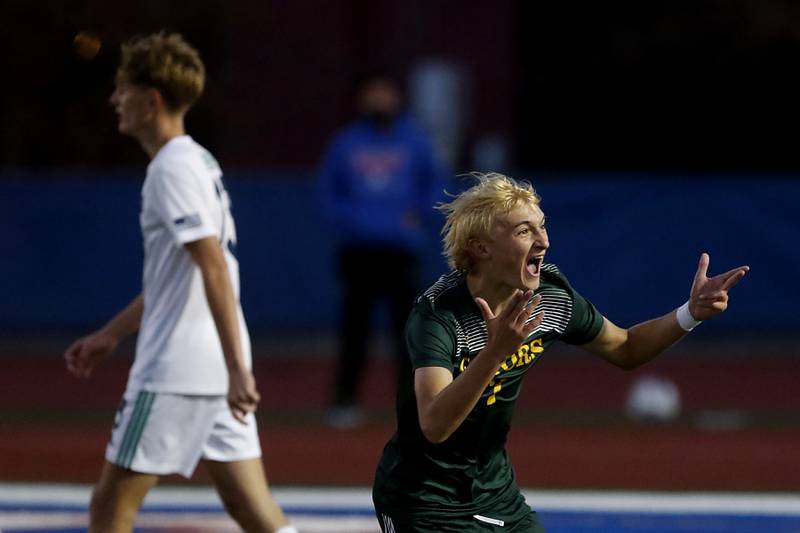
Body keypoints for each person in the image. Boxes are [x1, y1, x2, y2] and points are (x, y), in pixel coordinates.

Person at [372, 172, 749, 532]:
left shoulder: (550, 297)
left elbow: (626, 347)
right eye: (524, 231)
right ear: (480, 246)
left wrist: (690, 314)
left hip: (494, 494)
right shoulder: (439, 316)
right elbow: (434, 425)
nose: (544, 240)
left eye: (542, 225)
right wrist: (495, 354)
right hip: (421, 499)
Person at [63, 33, 296, 533]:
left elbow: (212, 265)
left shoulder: (169, 169)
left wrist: (238, 370)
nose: (114, 100)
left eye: (122, 89)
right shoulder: (198, 162)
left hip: (176, 371)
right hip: (212, 365)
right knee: (252, 510)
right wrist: (112, 333)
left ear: (152, 100)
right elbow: (182, 278)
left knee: (109, 509)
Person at [317, 72, 448, 428]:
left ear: (397, 97)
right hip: (358, 250)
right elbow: (328, 193)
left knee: (407, 331)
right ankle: (344, 402)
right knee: (354, 329)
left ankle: (413, 404)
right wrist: (355, 220)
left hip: (400, 251)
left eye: (385, 93)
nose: (379, 100)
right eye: (372, 93)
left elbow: (436, 185)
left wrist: (416, 215)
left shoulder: (415, 142)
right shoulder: (345, 143)